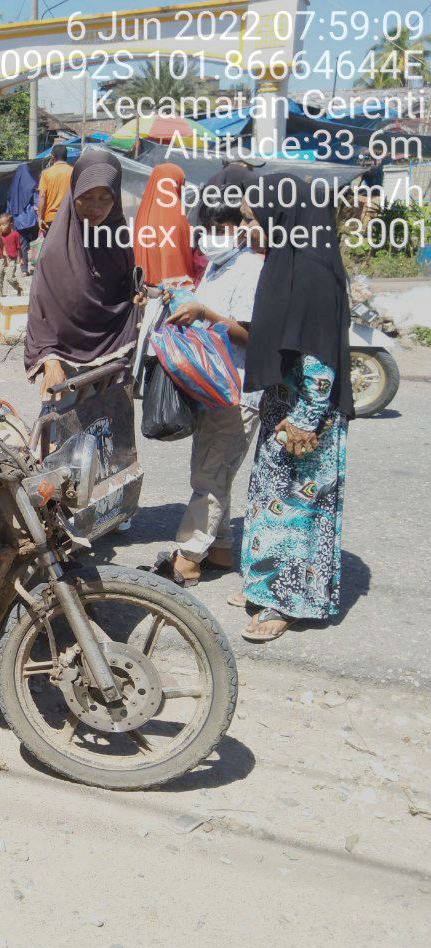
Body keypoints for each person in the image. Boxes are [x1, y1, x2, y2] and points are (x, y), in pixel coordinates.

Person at [236, 173, 352, 642]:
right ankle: (265, 583)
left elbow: (319, 356)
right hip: (283, 409)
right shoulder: (287, 261)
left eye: (253, 219)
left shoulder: (312, 272)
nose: (248, 229)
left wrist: (304, 422)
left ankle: (287, 601)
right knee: (271, 503)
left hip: (307, 418)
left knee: (296, 511)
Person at [152, 197, 265, 586]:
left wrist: (204, 314)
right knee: (217, 468)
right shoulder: (218, 267)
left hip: (236, 389)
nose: (215, 237)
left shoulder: (250, 267)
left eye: (223, 228)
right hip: (211, 386)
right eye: (209, 229)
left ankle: (188, 555)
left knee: (210, 472)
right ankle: (219, 546)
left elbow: (250, 334)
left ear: (240, 227)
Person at [25, 149, 138, 400]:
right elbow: (40, 310)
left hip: (115, 359)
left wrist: (138, 299)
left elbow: (125, 294)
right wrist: (50, 360)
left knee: (110, 433)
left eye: (104, 198)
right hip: (65, 364)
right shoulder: (56, 250)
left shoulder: (119, 242)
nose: (95, 208)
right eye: (86, 197)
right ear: (73, 192)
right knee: (65, 435)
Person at [133, 162, 202, 287]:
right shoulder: (172, 213)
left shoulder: (144, 211)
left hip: (142, 286)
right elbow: (171, 254)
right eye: (182, 182)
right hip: (165, 291)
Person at [5, 159, 39, 276]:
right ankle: (38, 266)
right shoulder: (32, 186)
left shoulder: (11, 189)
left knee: (23, 246)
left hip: (18, 222)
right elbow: (37, 203)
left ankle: (24, 269)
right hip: (32, 221)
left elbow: (8, 209)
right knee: (36, 242)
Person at [36, 144, 74, 235]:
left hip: (51, 219)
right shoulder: (73, 171)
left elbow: (42, 195)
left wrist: (40, 217)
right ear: (66, 156)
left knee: (53, 248)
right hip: (69, 216)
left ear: (52, 157)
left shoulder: (46, 173)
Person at [0, 212, 22, 298]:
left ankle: (18, 288)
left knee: (10, 278)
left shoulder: (15, 234)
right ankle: (0, 296)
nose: (1, 227)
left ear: (11, 224)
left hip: (11, 260)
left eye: (3, 225)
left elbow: (19, 247)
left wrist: (19, 258)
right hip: (0, 259)